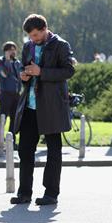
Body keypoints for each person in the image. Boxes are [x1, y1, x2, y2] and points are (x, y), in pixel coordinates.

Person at [11, 14, 75, 206]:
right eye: (31, 36)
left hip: (51, 106)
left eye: (36, 35)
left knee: (53, 152)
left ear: (45, 28)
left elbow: (69, 71)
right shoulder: (28, 46)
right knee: (25, 151)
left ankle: (51, 193)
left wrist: (42, 72)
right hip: (30, 106)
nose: (34, 39)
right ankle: (24, 193)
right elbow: (25, 67)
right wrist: (24, 76)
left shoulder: (61, 45)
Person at [0, 42, 22, 144]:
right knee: (3, 117)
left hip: (16, 94)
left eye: (14, 49)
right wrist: (7, 60)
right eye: (10, 49)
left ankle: (12, 141)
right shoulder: (0, 61)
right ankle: (0, 141)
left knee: (14, 119)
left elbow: (21, 77)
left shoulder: (17, 62)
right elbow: (4, 75)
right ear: (5, 51)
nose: (13, 51)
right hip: (5, 94)